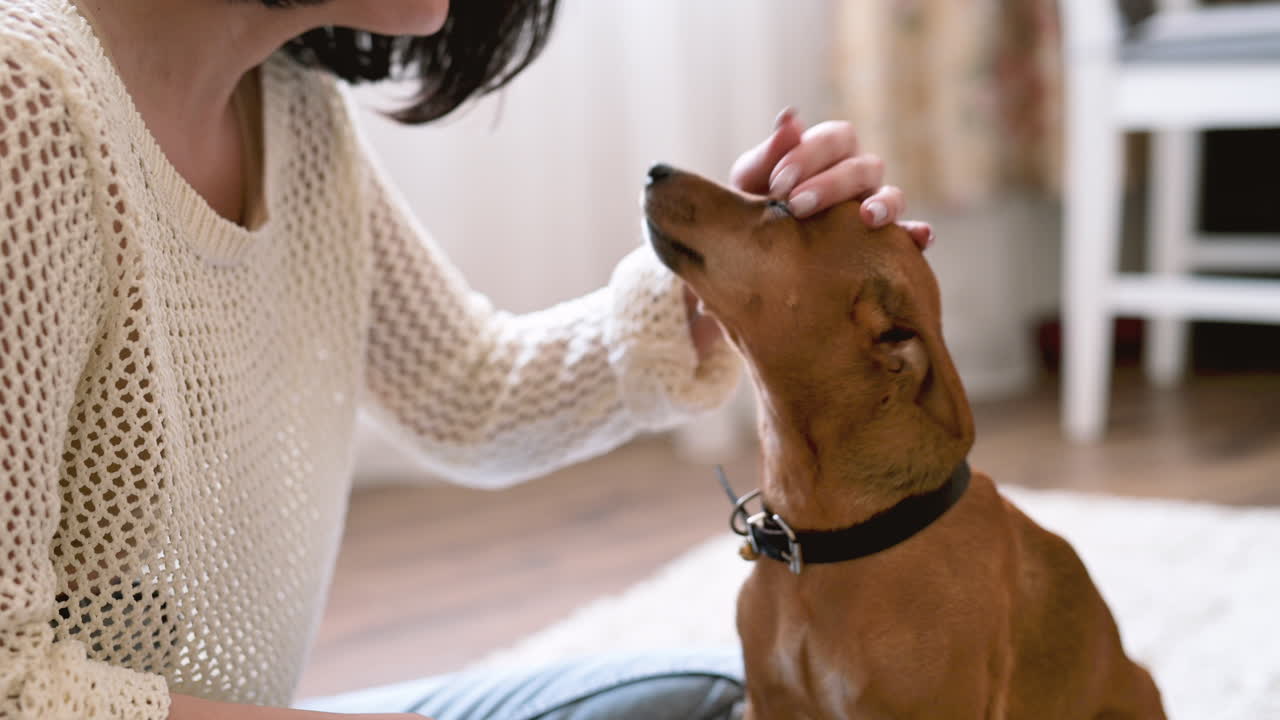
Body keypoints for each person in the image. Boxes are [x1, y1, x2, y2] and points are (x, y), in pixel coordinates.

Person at [0, 1, 933, 718]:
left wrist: (710, 290)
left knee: (709, 697)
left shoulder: (293, 110)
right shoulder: (26, 109)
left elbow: (471, 394)